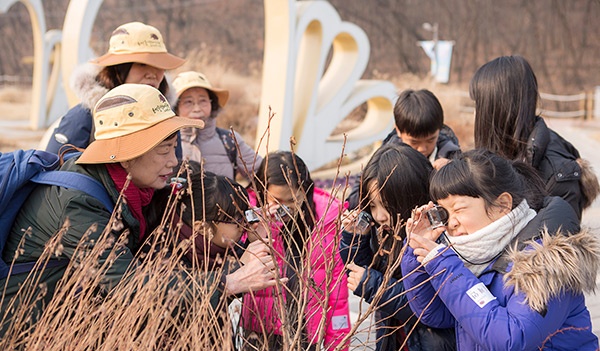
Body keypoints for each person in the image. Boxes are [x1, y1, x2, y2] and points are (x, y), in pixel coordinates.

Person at [0, 84, 276, 333]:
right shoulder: (79, 203)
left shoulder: (137, 188)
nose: (173, 160)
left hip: (69, 307)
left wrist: (247, 243)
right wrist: (231, 281)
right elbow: (129, 286)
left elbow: (190, 240)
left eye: (173, 148)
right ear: (127, 152)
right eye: (164, 150)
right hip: (29, 322)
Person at [401, 149, 599, 350]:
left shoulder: (546, 262)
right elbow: (436, 314)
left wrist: (448, 269)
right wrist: (416, 250)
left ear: (501, 205)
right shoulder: (475, 254)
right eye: (444, 212)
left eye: (459, 209)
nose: (450, 223)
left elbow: (512, 339)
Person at [339, 144, 455, 351]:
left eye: (387, 205)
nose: (379, 216)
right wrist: (355, 239)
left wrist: (374, 287)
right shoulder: (388, 230)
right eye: (372, 206)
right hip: (394, 338)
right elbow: (363, 271)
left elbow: (428, 308)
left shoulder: (438, 237)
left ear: (410, 196)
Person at [239, 151, 351, 350]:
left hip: (307, 331)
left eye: (292, 201)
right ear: (261, 191)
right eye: (277, 201)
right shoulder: (246, 217)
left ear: (305, 191)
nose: (286, 209)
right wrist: (262, 230)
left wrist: (338, 342)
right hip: (261, 331)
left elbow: (336, 288)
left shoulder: (326, 218)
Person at [470, 55, 599, 220]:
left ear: (498, 109)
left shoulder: (557, 173)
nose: (475, 113)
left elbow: (559, 241)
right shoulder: (499, 154)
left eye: (478, 104)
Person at [45, 21, 185, 154]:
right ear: (119, 70)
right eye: (142, 65)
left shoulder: (166, 118)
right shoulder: (84, 117)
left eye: (159, 66)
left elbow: (175, 168)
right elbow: (54, 168)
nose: (152, 74)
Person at [346, 89, 460, 209]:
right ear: (399, 131)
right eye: (414, 142)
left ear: (439, 130)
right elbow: (354, 203)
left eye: (430, 140)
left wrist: (451, 173)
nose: (422, 148)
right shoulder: (385, 159)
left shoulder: (450, 156)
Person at [172, 71, 262, 181]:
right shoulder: (167, 141)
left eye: (203, 101)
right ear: (175, 106)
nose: (197, 109)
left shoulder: (229, 140)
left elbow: (262, 174)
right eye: (188, 102)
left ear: (212, 103)